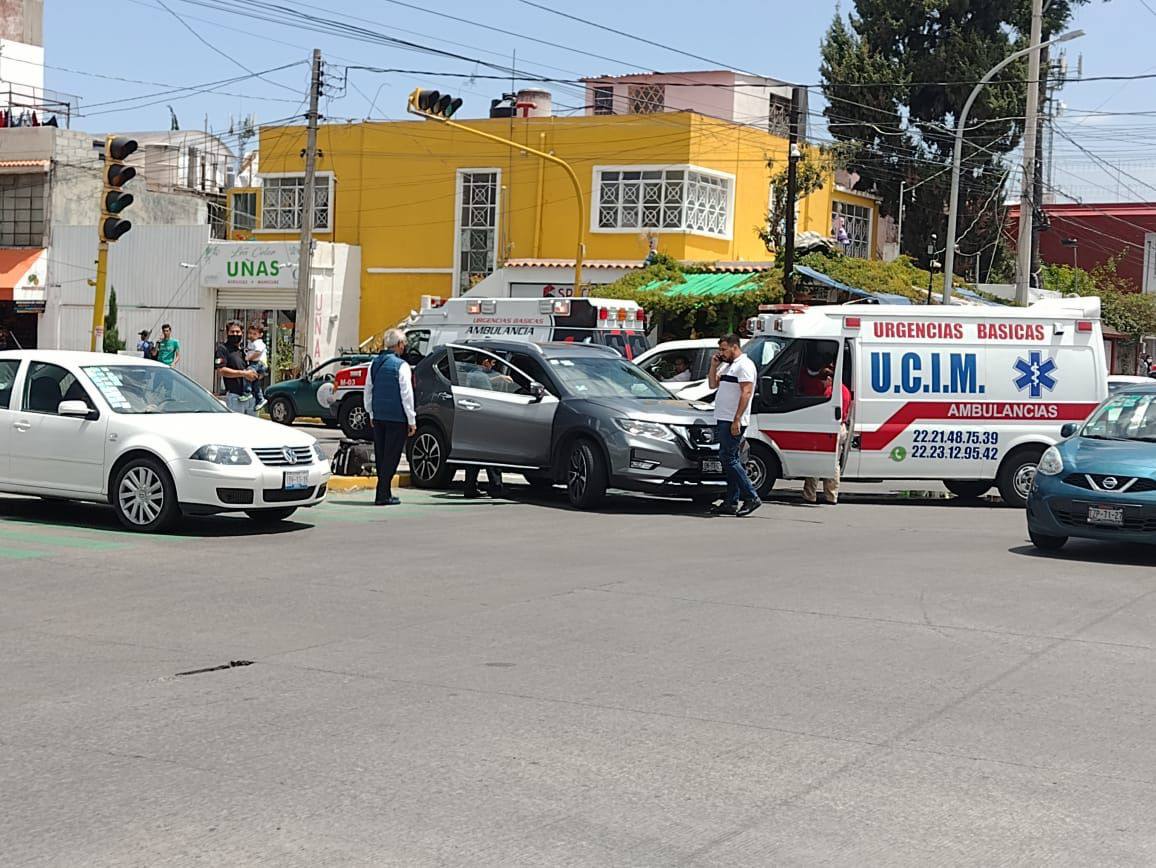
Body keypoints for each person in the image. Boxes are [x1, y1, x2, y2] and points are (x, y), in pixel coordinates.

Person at [707, 333, 761, 517]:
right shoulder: (729, 366)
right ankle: (731, 501)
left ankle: (751, 496)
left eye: (724, 349)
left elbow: (746, 393)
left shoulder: (744, 366)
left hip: (733, 420)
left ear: (734, 347)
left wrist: (737, 419)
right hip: (723, 417)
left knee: (728, 458)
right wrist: (714, 366)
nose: (721, 353)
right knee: (730, 459)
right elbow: (712, 385)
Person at [364, 328, 416, 506]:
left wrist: (370, 412)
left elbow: (368, 390)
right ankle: (382, 493)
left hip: (379, 416)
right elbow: (406, 395)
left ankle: (383, 491)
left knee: (381, 454)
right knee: (392, 456)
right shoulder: (401, 366)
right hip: (397, 417)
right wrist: (412, 420)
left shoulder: (374, 364)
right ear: (400, 345)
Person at [462, 352, 506, 497]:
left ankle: (470, 487)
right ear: (485, 362)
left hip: (473, 420)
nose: (493, 366)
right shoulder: (480, 376)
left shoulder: (474, 374)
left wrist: (497, 378)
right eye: (492, 363)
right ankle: (496, 487)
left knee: (474, 457)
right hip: (484, 420)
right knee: (492, 454)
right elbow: (489, 396)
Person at [215, 320, 259, 414]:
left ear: (242, 333)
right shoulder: (223, 349)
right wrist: (244, 374)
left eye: (238, 332)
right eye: (232, 332)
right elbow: (221, 371)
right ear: (227, 333)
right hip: (235, 397)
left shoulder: (245, 350)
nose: (235, 334)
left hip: (251, 397)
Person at [245, 322, 269, 411]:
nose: (251, 335)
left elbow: (258, 353)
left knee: (248, 372)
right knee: (256, 383)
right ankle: (260, 399)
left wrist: (248, 358)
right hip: (258, 364)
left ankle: (247, 392)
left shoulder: (258, 342)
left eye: (254, 334)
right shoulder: (252, 342)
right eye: (250, 333)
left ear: (260, 335)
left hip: (259, 363)